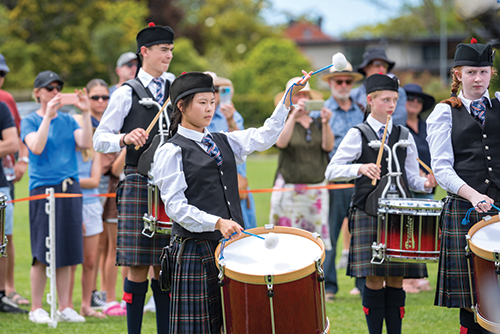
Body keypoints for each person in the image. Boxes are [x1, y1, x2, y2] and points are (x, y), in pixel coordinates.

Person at [153, 70, 312, 333]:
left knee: (237, 323)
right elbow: (175, 208)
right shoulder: (170, 151)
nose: (209, 109)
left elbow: (264, 136)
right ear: (181, 106)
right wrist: (216, 222)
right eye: (202, 102)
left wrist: (288, 98)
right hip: (195, 251)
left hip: (231, 248)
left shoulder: (223, 139)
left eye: (212, 101)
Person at [325, 73, 436, 334]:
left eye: (395, 100)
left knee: (396, 279)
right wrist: (361, 168)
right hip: (369, 211)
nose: (391, 105)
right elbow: (332, 170)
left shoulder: (404, 134)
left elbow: (412, 179)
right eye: (385, 99)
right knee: (373, 278)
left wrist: (426, 184)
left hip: (400, 213)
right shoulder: (358, 133)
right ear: (370, 100)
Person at [93, 22, 175, 334]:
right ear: (145, 52)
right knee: (139, 264)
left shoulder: (175, 89)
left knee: (165, 265)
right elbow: (100, 139)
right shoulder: (125, 93)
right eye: (163, 50)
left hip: (171, 184)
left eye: (170, 50)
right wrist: (125, 138)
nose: (168, 55)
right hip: (138, 182)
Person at [426, 39, 498, 334]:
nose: (477, 79)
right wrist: (472, 194)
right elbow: (441, 168)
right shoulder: (443, 113)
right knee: (472, 299)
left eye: (483, 71)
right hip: (465, 208)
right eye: (471, 72)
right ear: (458, 74)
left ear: (491, 73)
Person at [21, 70, 92, 323]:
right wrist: (48, 117)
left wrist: (85, 112)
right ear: (37, 92)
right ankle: (36, 307)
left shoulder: (69, 119)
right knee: (42, 249)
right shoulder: (30, 120)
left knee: (69, 248)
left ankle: (64, 306)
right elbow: (36, 147)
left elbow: (85, 143)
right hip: (43, 189)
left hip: (70, 187)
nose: (54, 92)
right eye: (49, 88)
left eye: (57, 88)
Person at [315, 61, 365, 301]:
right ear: (331, 84)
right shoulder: (322, 111)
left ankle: (364, 283)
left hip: (360, 180)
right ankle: (330, 287)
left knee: (363, 232)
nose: (343, 85)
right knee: (331, 236)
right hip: (334, 182)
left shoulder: (361, 109)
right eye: (339, 81)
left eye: (348, 81)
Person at [269, 77, 333, 251]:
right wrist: (293, 117)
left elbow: (328, 147)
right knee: (287, 240)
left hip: (315, 190)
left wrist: (326, 123)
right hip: (290, 189)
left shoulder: (317, 123)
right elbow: (281, 143)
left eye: (305, 94)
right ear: (290, 99)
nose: (302, 98)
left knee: (313, 242)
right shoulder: (281, 122)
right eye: (297, 94)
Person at [205, 72, 257, 229]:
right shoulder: (196, 117)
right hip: (210, 180)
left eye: (216, 89)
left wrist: (230, 120)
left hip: (236, 177)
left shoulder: (233, 115)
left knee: (243, 230)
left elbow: (241, 145)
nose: (214, 93)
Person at [0, 53, 30, 308]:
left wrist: (22, 160)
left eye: (2, 75)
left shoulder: (5, 100)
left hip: (4, 176)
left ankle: (7, 289)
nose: (0, 79)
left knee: (5, 235)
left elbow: (16, 138)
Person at [72, 113, 106, 319]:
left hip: (92, 206)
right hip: (71, 204)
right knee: (69, 261)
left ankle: (86, 304)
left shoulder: (94, 151)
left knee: (91, 260)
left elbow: (94, 181)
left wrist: (72, 180)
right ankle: (64, 305)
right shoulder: (66, 152)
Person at [0, 100, 22, 314]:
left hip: (0, 186)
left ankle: (2, 295)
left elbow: (11, 144)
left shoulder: (1, 107)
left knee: (3, 241)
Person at [351, 46, 408, 126]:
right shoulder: (354, 95)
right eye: (377, 64)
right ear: (365, 67)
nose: (382, 68)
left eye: (384, 65)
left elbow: (400, 120)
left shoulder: (399, 92)